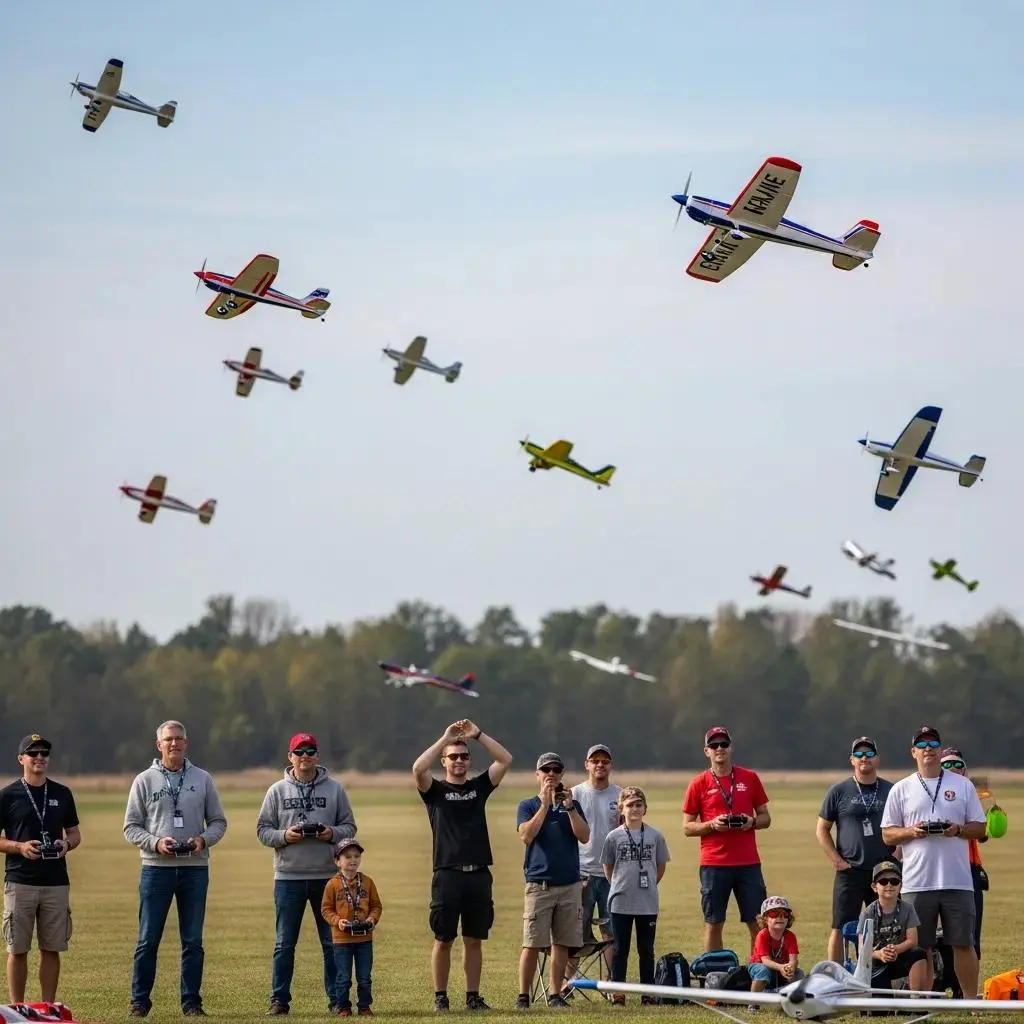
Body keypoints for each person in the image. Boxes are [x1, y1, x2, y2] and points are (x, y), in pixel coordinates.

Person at [123, 720, 228, 1018]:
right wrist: (156, 843)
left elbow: (219, 822)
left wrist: (202, 840)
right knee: (148, 938)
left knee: (193, 940)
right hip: (156, 870)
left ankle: (192, 1002)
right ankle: (139, 1001)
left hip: (195, 869)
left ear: (186, 743)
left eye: (179, 738)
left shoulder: (203, 779)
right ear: (159, 745)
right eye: (168, 739)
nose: (174, 743)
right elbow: (131, 827)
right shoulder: (144, 780)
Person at [879, 725, 987, 998]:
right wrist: (911, 832)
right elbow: (887, 835)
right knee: (921, 947)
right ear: (913, 752)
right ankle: (921, 1002)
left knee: (963, 943)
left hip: (957, 880)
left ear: (940, 750)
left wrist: (957, 830)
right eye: (922, 745)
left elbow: (980, 828)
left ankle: (971, 1002)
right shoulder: (901, 789)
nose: (928, 749)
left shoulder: (962, 785)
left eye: (933, 744)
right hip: (917, 881)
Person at [412, 720, 512, 1013]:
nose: (459, 760)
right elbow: (418, 769)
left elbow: (505, 759)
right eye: (453, 756)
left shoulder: (478, 787)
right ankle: (440, 997)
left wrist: (477, 735)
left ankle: (472, 997)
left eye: (464, 756)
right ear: (443, 761)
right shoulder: (435, 791)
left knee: (474, 939)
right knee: (443, 939)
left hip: (479, 874)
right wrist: (444, 738)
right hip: (447, 874)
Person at [257, 732, 358, 1016]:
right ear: (290, 757)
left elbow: (349, 827)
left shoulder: (335, 789)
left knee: (332, 942)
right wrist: (286, 836)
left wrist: (330, 834)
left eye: (310, 751)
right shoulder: (277, 791)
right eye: (299, 752)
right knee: (284, 944)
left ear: (318, 755)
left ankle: (338, 1000)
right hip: (288, 876)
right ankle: (279, 1000)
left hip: (327, 877)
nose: (305, 757)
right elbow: (263, 831)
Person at [0, 735, 81, 1006]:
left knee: (51, 948)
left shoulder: (62, 793)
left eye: (44, 752)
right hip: (20, 880)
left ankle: (46, 1009)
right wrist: (19, 847)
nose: (39, 757)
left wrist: (66, 844)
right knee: (18, 949)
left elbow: (74, 833)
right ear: (20, 758)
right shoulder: (7, 795)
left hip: (56, 881)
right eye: (32, 752)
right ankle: (18, 1008)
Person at [682, 726, 770, 954]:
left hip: (748, 863)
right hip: (714, 864)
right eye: (714, 745)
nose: (719, 748)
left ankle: (757, 973)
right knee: (713, 923)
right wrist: (712, 825)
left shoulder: (749, 778)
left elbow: (765, 818)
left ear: (731, 747)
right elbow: (687, 827)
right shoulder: (698, 783)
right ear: (706, 751)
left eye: (724, 744)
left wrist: (750, 822)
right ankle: (714, 976)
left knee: (758, 923)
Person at [515, 752, 589, 1010]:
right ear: (537, 775)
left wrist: (568, 807)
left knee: (562, 944)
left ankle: (555, 993)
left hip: (569, 885)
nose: (551, 774)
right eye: (546, 770)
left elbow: (584, 837)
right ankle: (523, 996)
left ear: (562, 774)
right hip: (539, 885)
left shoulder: (573, 805)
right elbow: (526, 835)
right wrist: (545, 805)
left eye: (556, 770)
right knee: (532, 943)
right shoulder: (528, 805)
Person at [816, 736, 896, 964]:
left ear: (877, 759)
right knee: (840, 927)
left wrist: (896, 858)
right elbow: (822, 829)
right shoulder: (839, 791)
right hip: (849, 870)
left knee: (885, 926)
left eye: (869, 753)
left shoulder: (891, 790)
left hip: (883, 872)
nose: (864, 758)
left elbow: (902, 826)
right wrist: (837, 861)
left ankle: (879, 979)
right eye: (859, 754)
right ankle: (836, 977)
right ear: (852, 759)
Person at [600, 787, 670, 1007]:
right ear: (621, 808)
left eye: (639, 804)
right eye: (630, 805)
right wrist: (621, 885)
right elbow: (608, 867)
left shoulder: (655, 836)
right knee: (620, 949)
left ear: (645, 808)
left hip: (647, 902)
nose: (635, 808)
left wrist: (647, 885)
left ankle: (647, 993)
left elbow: (660, 867)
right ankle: (618, 992)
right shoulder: (613, 837)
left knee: (646, 950)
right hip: (620, 901)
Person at [569, 744, 621, 979]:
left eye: (605, 761)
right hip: (582, 873)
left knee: (610, 932)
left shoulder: (619, 795)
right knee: (575, 932)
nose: (600, 765)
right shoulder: (575, 794)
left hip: (611, 873)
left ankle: (610, 985)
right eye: (595, 761)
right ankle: (567, 984)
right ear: (586, 764)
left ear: (611, 765)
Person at [321, 839, 382, 1018]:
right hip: (341, 940)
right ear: (337, 861)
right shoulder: (332, 884)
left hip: (364, 938)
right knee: (343, 977)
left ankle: (364, 1006)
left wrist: (372, 918)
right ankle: (343, 1007)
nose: (353, 860)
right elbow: (325, 909)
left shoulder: (368, 882)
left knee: (364, 977)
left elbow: (376, 906)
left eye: (356, 856)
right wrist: (337, 921)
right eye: (347, 856)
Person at [939, 747, 987, 964]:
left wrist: (994, 819)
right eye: (946, 764)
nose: (952, 768)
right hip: (938, 867)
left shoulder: (972, 795)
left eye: (957, 764)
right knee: (938, 934)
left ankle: (965, 992)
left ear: (965, 770)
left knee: (970, 932)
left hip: (969, 867)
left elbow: (983, 835)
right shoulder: (931, 794)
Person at [858, 860, 928, 991]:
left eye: (894, 881)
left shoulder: (908, 908)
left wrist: (895, 949)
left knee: (919, 953)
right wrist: (880, 954)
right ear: (874, 887)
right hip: (877, 961)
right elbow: (862, 949)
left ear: (901, 886)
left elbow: (913, 941)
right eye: (883, 881)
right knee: (882, 1010)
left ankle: (915, 1001)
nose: (889, 885)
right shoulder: (867, 913)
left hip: (900, 957)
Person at [749, 897, 803, 992]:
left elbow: (794, 960)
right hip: (759, 966)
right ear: (765, 918)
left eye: (785, 914)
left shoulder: (790, 936)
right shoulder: (762, 935)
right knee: (763, 970)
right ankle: (753, 1002)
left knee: (799, 973)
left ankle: (791, 998)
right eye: (774, 914)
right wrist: (781, 967)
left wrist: (791, 968)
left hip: (781, 968)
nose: (780, 917)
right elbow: (765, 961)